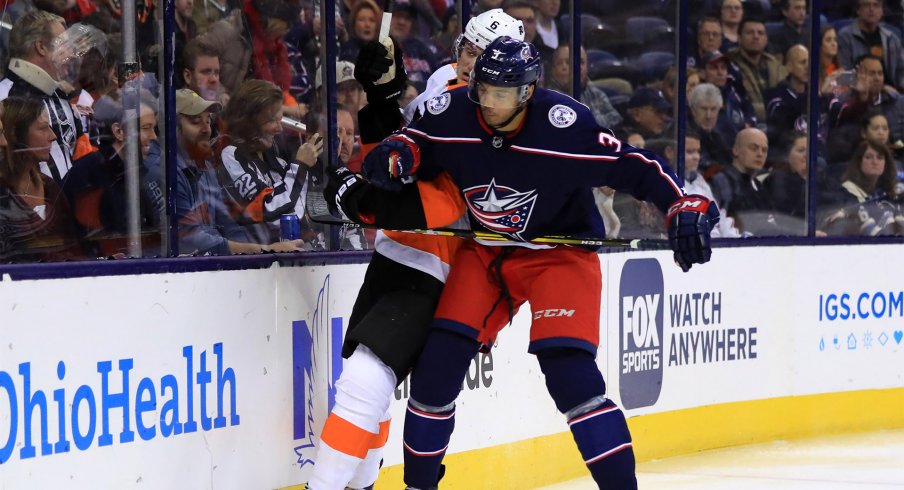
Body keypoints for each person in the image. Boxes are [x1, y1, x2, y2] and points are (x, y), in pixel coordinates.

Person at [346, 36, 717, 489]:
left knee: (570, 377)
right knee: (435, 372)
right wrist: (400, 153)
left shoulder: (563, 126)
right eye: (483, 90)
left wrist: (681, 203)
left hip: (559, 255)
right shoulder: (455, 108)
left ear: (528, 91)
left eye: (501, 94)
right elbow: (420, 139)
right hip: (487, 250)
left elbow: (633, 165)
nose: (488, 103)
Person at [171, 88, 305, 255]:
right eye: (195, 121)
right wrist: (266, 250)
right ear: (171, 127)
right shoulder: (166, 172)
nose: (206, 129)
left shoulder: (206, 168)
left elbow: (230, 227)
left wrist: (261, 253)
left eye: (208, 121)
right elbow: (194, 240)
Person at [215, 79, 324, 246]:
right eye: (272, 120)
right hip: (250, 264)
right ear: (249, 121)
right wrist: (300, 166)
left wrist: (322, 162)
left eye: (280, 120)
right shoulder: (232, 156)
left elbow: (298, 209)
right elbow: (269, 210)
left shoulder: (277, 162)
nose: (279, 129)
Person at [63, 90, 166, 257]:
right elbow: (88, 243)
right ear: (119, 132)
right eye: (146, 128)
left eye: (154, 128)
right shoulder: (90, 176)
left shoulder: (135, 173)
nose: (153, 136)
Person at [3, 10, 95, 182]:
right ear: (41, 47)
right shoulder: (4, 98)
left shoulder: (60, 97)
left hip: (64, 205)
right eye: (64, 44)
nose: (71, 54)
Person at [403, 8, 524, 123]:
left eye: (487, 59)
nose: (472, 66)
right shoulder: (446, 74)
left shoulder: (502, 112)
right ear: (460, 47)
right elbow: (407, 123)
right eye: (470, 52)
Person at [0, 97, 82, 262]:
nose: (53, 136)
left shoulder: (50, 188)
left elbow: (74, 250)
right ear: (15, 134)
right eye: (43, 128)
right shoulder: (3, 195)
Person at [709, 127, 777, 235]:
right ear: (736, 150)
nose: (760, 154)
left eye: (764, 150)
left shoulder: (759, 186)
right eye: (754, 148)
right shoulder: (722, 181)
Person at [827, 140, 904, 235]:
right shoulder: (846, 191)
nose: (875, 162)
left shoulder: (891, 193)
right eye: (868, 157)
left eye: (879, 158)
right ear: (859, 162)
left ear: (886, 163)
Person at [546, 44, 622, 128]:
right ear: (555, 69)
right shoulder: (549, 100)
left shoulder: (594, 93)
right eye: (570, 62)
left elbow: (616, 119)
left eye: (581, 62)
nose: (579, 67)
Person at [727, 17, 788, 121]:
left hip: (778, 123)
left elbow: (786, 100)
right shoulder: (729, 64)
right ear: (739, 38)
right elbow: (739, 104)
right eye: (750, 32)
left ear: (766, 39)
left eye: (760, 33)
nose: (756, 37)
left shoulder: (776, 65)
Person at [836, 0, 904, 91]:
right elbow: (845, 76)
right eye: (866, 5)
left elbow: (901, 73)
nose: (871, 9)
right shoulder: (845, 37)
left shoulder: (892, 38)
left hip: (892, 96)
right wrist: (881, 88)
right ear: (858, 10)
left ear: (882, 11)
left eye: (876, 5)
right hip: (859, 95)